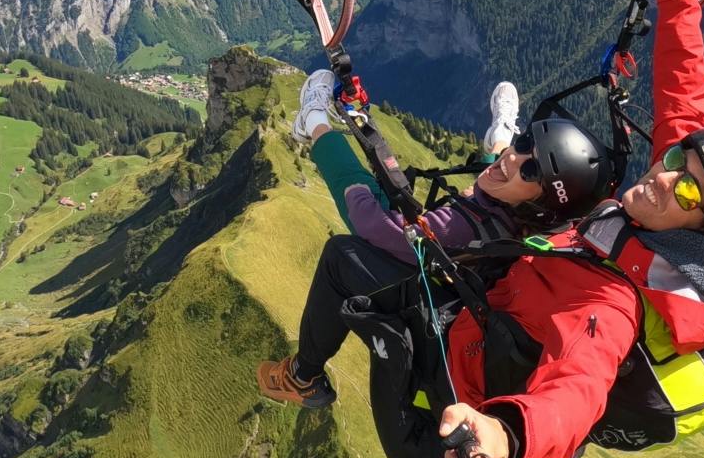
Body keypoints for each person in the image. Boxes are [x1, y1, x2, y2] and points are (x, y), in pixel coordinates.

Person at [261, 0, 704, 458]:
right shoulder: (645, 219)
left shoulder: (611, 302)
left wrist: (506, 435)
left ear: (698, 230)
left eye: (686, 187)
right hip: (488, 303)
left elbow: (577, 390)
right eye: (677, 161)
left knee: (345, 261)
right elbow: (685, 100)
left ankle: (303, 378)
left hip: (450, 399)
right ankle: (501, 143)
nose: (664, 175)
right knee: (524, 196)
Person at [257, 73, 612, 407]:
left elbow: (374, 225)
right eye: (523, 144)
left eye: (531, 170)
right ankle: (500, 133)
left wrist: (353, 181)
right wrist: (515, 165)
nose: (514, 158)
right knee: (495, 180)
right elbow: (506, 183)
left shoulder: (461, 227)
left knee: (344, 250)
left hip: (433, 317)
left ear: (540, 205)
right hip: (462, 293)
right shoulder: (536, 225)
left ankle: (302, 376)